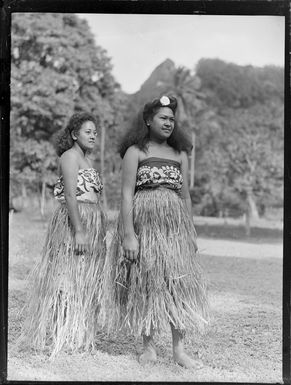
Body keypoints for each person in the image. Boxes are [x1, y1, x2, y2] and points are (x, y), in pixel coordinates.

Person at [103, 96, 209, 369]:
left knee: (179, 284)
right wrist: (129, 235)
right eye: (163, 118)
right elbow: (126, 195)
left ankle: (179, 350)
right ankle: (148, 347)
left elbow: (185, 197)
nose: (168, 123)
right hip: (145, 226)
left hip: (174, 229)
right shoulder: (135, 152)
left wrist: (191, 232)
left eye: (172, 119)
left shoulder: (180, 154)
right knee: (147, 282)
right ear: (149, 120)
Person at [19, 112, 106, 358]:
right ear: (74, 134)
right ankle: (61, 334)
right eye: (88, 131)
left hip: (91, 222)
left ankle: (78, 336)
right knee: (65, 279)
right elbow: (70, 195)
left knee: (83, 280)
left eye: (94, 132)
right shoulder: (69, 156)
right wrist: (79, 230)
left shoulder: (86, 159)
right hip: (73, 223)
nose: (93, 135)